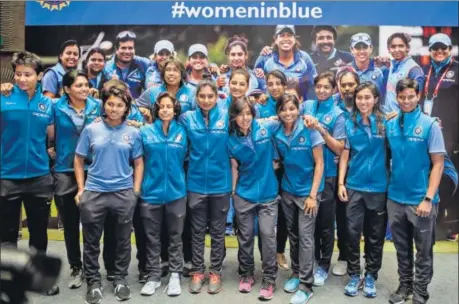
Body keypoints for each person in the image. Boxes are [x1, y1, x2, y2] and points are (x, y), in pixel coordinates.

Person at [74, 85, 144, 304]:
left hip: (123, 193)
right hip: (94, 192)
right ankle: (93, 282)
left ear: (126, 109)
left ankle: (120, 279)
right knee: (91, 241)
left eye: (119, 105)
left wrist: (135, 190)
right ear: (104, 104)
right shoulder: (91, 129)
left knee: (123, 241)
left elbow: (139, 162)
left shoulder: (133, 132)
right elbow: (78, 159)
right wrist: (81, 189)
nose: (114, 109)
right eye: (110, 104)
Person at [0, 51, 58, 296]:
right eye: (18, 74)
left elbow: (53, 137)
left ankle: (39, 279)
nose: (22, 79)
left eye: (28, 74)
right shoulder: (3, 97)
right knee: (7, 235)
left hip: (39, 177)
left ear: (39, 75)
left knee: (38, 234)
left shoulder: (47, 105)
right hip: (7, 177)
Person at [179, 77, 231, 295]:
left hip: (221, 183)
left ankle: (215, 271)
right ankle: (198, 271)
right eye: (202, 96)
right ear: (196, 98)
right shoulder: (187, 118)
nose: (207, 100)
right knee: (197, 231)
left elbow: (253, 119)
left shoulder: (228, 116)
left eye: (211, 96)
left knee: (218, 232)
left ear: (217, 97)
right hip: (196, 183)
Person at [338, 82, 388, 298]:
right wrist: (341, 183)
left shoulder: (386, 123)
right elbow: (345, 155)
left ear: (376, 99)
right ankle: (353, 274)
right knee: (351, 233)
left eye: (368, 97)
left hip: (378, 187)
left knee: (375, 235)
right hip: (354, 186)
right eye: (360, 98)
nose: (363, 101)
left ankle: (370, 275)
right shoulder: (349, 123)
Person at [53, 70, 101, 290]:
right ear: (67, 89)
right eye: (79, 85)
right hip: (64, 170)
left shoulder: (98, 106)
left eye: (86, 84)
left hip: (94, 169)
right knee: (70, 224)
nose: (84, 88)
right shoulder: (55, 107)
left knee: (93, 223)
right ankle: (76, 267)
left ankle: (94, 267)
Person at [275, 93, 325, 304]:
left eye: (292, 109)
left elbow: (320, 164)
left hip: (308, 194)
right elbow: (278, 161)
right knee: (293, 235)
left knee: (305, 237)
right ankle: (296, 274)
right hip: (288, 190)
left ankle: (306, 285)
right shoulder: (277, 133)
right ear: (278, 112)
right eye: (283, 109)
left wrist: (313, 196)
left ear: (299, 110)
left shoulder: (310, 130)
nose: (288, 113)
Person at [228, 97, 279, 300]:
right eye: (240, 114)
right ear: (234, 117)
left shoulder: (267, 127)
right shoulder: (230, 139)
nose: (245, 118)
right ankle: (246, 274)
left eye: (248, 113)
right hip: (244, 194)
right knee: (246, 237)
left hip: (268, 194)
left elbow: (288, 118)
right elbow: (233, 167)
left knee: (267, 236)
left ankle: (269, 277)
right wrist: (233, 192)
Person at [139, 92, 187, 297]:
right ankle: (153, 276)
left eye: (169, 106)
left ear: (175, 109)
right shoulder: (145, 132)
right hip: (150, 193)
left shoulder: (183, 132)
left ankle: (175, 274)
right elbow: (138, 161)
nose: (165, 109)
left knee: (176, 237)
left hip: (177, 193)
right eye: (161, 107)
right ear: (156, 110)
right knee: (152, 238)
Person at [302, 72, 346, 286]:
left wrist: (319, 127)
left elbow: (339, 147)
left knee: (326, 224)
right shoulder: (307, 105)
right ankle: (310, 260)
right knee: (309, 222)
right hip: (305, 174)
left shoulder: (338, 114)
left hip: (328, 174)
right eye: (318, 86)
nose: (321, 90)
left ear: (334, 90)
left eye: (326, 87)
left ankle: (324, 265)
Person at [421, 33, 459, 240]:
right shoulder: (426, 71)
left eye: (443, 48)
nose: (439, 52)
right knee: (430, 176)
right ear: (430, 50)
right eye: (435, 48)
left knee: (449, 178)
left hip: (450, 135)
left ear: (450, 49)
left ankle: (451, 226)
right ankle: (432, 222)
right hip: (427, 133)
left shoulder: (457, 70)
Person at [255, 25, 317, 100]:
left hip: (297, 106)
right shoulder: (266, 57)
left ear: (294, 39)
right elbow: (255, 82)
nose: (286, 39)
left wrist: (307, 105)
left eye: (289, 35)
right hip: (272, 105)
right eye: (282, 36)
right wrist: (263, 96)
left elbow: (313, 82)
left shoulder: (304, 58)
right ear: (275, 40)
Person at [384, 33, 425, 113]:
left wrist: (401, 117)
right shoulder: (389, 65)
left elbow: (416, 101)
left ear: (408, 48)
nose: (397, 49)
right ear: (388, 49)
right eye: (393, 46)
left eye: (401, 46)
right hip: (387, 120)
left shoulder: (414, 70)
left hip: (402, 121)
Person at [103, 30, 151, 99]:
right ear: (116, 49)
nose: (127, 51)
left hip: (137, 107)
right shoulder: (106, 66)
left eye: (130, 48)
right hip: (113, 107)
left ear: (134, 49)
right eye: (123, 48)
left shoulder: (144, 63)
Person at [348, 33, 388, 101]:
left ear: (371, 48)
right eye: (358, 48)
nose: (362, 51)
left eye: (365, 47)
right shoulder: (346, 70)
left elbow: (387, 96)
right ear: (352, 49)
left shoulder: (383, 70)